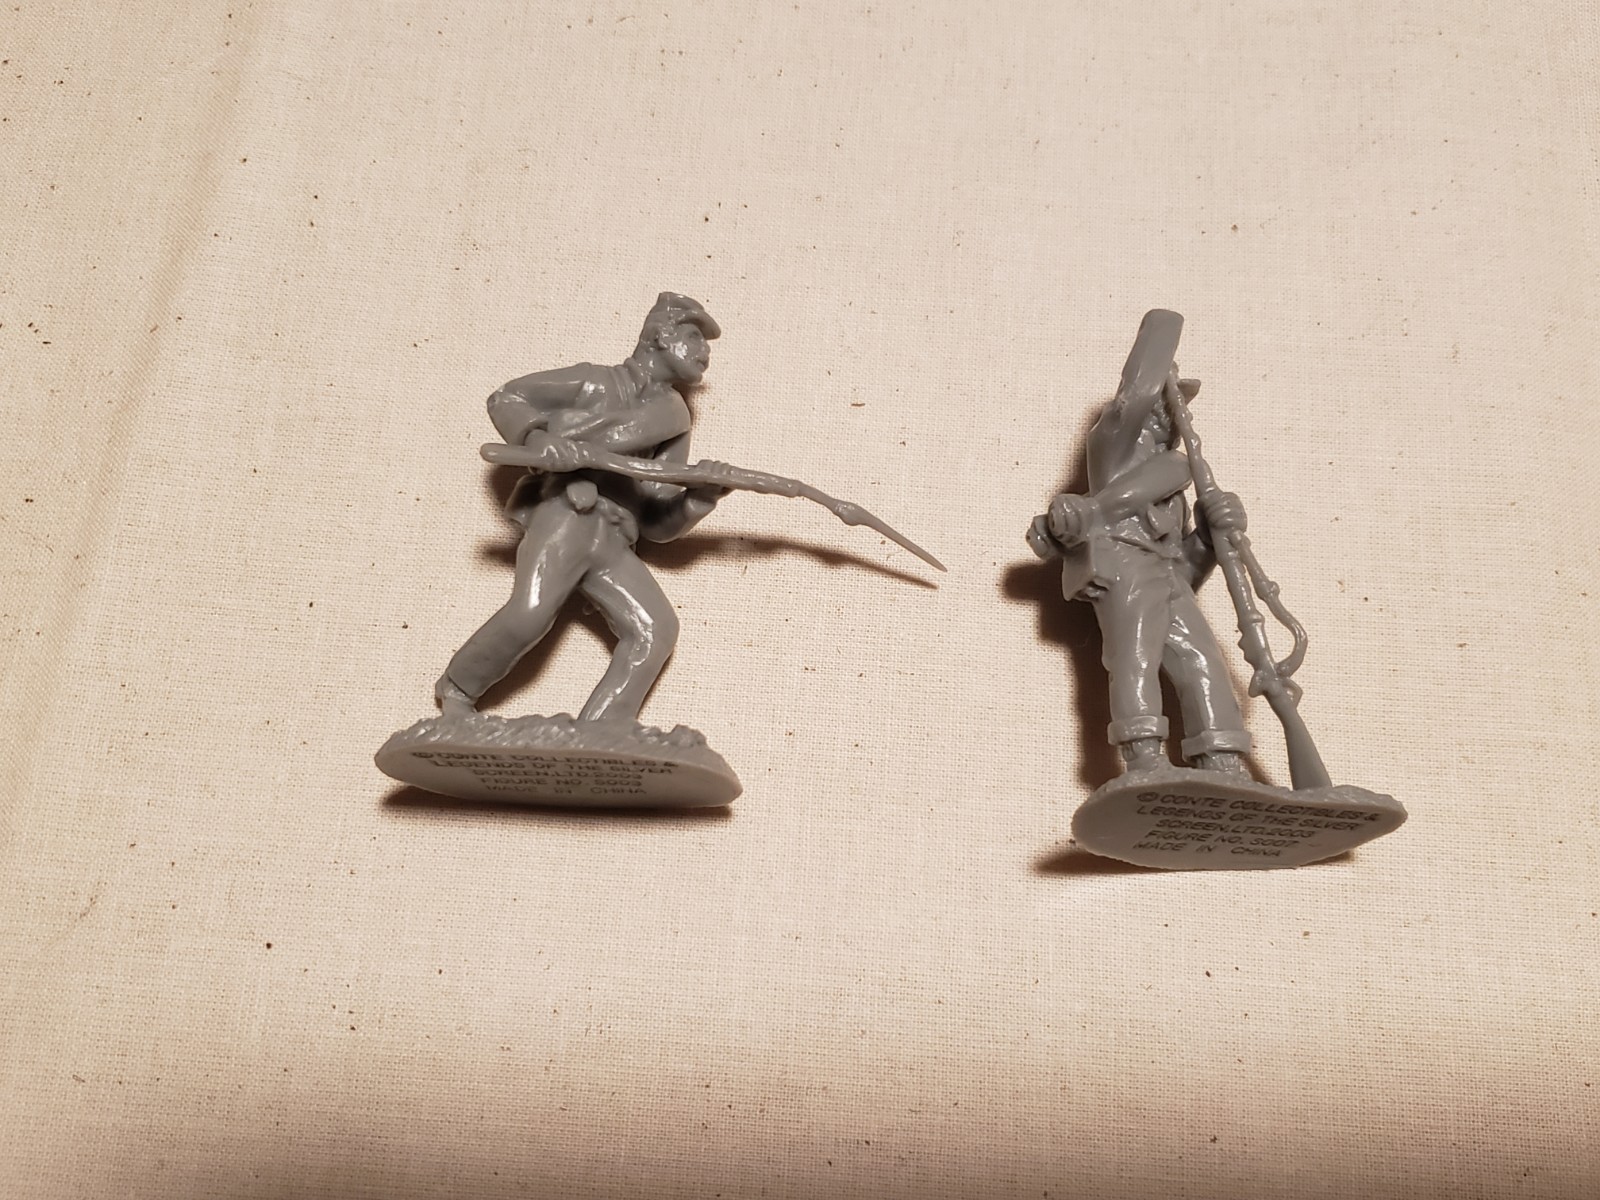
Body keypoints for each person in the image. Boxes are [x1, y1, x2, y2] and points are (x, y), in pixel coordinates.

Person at [435, 293, 729, 723]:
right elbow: (507, 397)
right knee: (530, 615)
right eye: (693, 337)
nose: (703, 352)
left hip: (615, 538)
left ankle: (601, 730)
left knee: (654, 630)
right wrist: (537, 438)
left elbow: (657, 521)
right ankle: (458, 692)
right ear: (662, 336)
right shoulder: (595, 382)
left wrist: (700, 498)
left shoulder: (673, 416)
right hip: (567, 514)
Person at [1029, 316, 1253, 775]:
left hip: (1168, 578)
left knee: (1201, 661)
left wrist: (1210, 535)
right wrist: (1163, 332)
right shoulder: (1114, 447)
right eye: (1169, 403)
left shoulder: (1174, 485)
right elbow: (1129, 401)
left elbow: (1184, 565)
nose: (1176, 416)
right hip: (1123, 564)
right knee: (1135, 659)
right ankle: (1144, 757)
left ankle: (1222, 757)